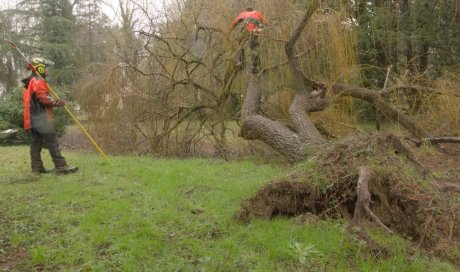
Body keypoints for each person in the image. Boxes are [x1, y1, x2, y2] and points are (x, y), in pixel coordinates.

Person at [22, 57, 78, 175]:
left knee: (36, 142)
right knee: (52, 140)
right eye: (46, 69)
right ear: (40, 68)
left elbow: (34, 98)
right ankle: (60, 166)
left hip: (33, 118)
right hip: (41, 118)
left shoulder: (29, 81)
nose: (47, 71)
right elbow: (42, 97)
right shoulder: (38, 80)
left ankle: (37, 168)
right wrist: (56, 103)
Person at [229, 7, 268, 73]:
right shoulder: (256, 12)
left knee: (240, 45)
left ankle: (240, 62)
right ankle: (254, 66)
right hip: (254, 30)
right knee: (254, 48)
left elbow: (234, 23)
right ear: (252, 10)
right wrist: (263, 28)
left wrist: (229, 31)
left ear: (246, 11)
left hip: (244, 30)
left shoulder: (242, 14)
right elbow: (265, 22)